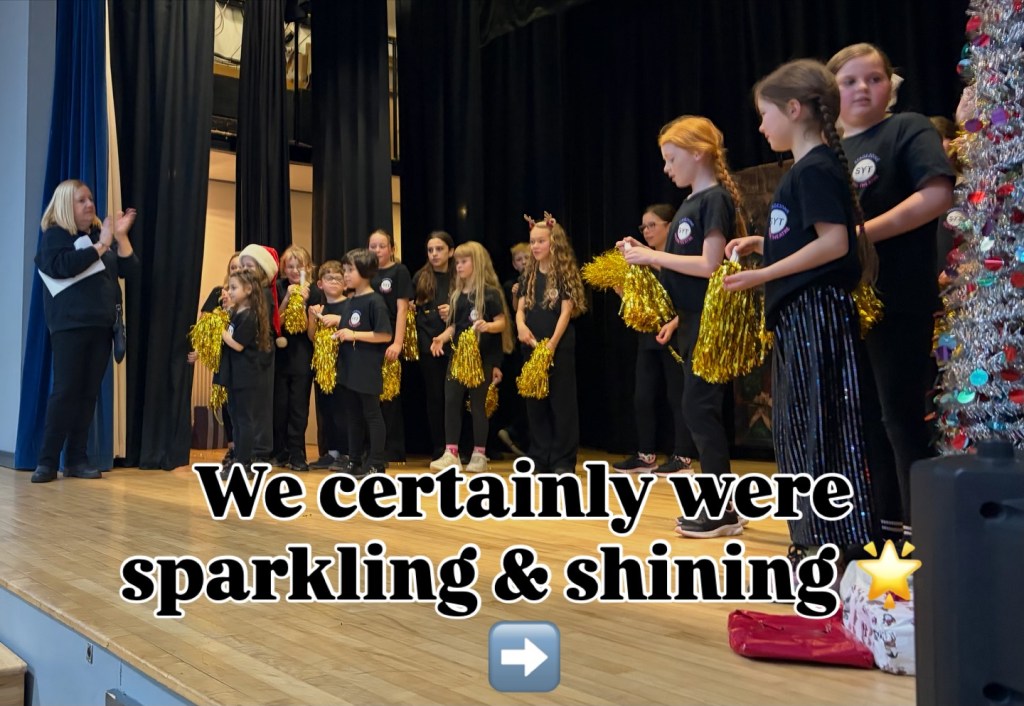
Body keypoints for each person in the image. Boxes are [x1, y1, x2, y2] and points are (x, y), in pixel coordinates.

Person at [723, 58, 878, 559]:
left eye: (765, 114)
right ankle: (814, 540)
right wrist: (762, 244)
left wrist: (763, 274)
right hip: (801, 314)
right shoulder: (806, 171)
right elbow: (808, 238)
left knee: (819, 426)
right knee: (800, 426)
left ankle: (832, 544)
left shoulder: (814, 169)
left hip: (816, 312)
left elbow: (834, 244)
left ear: (793, 109)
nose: (761, 127)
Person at [828, 43, 955, 541]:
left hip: (897, 299)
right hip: (845, 306)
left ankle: (923, 533)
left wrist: (859, 237)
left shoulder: (907, 129)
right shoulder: (830, 153)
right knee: (863, 420)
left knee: (900, 418)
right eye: (850, 81)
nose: (863, 88)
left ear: (891, 86)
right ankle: (882, 527)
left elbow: (936, 195)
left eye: (874, 78)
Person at [617, 117, 741, 537]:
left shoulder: (715, 199)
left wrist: (652, 257)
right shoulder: (691, 203)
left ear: (698, 154)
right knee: (697, 409)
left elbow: (708, 265)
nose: (667, 168)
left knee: (699, 410)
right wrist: (642, 251)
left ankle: (721, 509)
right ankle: (724, 506)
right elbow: (678, 269)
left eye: (672, 159)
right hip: (689, 321)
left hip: (709, 320)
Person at [32, 179, 139, 483]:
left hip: (101, 326)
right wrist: (102, 245)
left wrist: (120, 237)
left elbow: (130, 271)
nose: (90, 204)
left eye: (90, 199)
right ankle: (47, 461)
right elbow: (62, 265)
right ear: (66, 204)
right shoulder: (56, 235)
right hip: (70, 326)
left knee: (88, 394)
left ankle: (77, 459)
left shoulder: (98, 235)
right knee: (65, 391)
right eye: (82, 200)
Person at [613, 203, 698, 477]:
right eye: (644, 227)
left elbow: (692, 300)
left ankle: (683, 457)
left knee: (677, 396)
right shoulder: (643, 263)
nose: (647, 231)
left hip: (676, 337)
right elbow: (639, 305)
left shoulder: (677, 260)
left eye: (652, 225)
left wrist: (673, 324)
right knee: (643, 396)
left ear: (669, 227)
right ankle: (646, 455)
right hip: (649, 338)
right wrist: (621, 291)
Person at [429, 241, 512, 473]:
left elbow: (502, 322)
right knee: (451, 402)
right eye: (457, 262)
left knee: (478, 405)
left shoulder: (490, 293)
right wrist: (441, 338)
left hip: (482, 358)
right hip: (458, 358)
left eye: (464, 261)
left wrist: (488, 326)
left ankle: (479, 454)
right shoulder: (457, 295)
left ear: (477, 263)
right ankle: (451, 453)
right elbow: (454, 326)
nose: (459, 266)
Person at [516, 213, 587, 475]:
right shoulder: (528, 275)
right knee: (536, 404)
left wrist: (552, 345)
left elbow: (566, 313)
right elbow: (520, 309)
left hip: (558, 348)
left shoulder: (564, 274)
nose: (535, 246)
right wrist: (521, 327)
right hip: (531, 348)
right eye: (532, 242)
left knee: (561, 404)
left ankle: (562, 460)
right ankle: (539, 457)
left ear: (553, 243)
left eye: (540, 241)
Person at [335, 248, 393, 477]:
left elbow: (384, 335)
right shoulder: (351, 300)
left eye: (350, 270)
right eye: (344, 270)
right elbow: (349, 328)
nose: (346, 275)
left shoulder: (375, 301)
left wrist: (353, 335)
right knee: (353, 415)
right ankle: (355, 460)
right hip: (349, 365)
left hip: (366, 367)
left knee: (372, 414)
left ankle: (377, 462)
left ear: (365, 271)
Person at [219, 269, 274, 476]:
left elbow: (238, 344)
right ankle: (238, 457)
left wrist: (221, 331)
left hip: (246, 376)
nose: (230, 291)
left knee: (244, 419)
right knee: (235, 418)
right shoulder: (237, 312)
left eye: (234, 288)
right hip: (235, 375)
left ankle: (244, 462)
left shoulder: (250, 316)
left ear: (248, 289)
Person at [188, 252, 241, 465]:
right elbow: (204, 325)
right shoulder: (219, 293)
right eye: (233, 267)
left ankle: (246, 448)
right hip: (221, 356)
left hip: (242, 355)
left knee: (241, 404)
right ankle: (232, 448)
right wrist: (200, 351)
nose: (236, 270)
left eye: (241, 267)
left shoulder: (249, 296)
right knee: (226, 403)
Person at [368, 229, 413, 463]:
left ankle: (391, 448)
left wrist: (397, 342)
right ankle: (372, 447)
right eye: (373, 246)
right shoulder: (366, 272)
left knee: (389, 396)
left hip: (390, 337)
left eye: (382, 246)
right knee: (371, 396)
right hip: (369, 337)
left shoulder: (399, 271)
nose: (377, 250)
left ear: (392, 249)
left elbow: (403, 309)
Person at [274, 245, 319, 471]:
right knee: (280, 406)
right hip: (281, 357)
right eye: (289, 266)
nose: (293, 270)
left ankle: (297, 452)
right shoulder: (279, 288)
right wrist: (286, 300)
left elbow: (311, 332)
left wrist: (303, 303)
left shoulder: (314, 291)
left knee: (299, 407)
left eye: (298, 266)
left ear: (307, 268)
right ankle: (280, 451)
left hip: (302, 356)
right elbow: (276, 323)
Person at [235, 244, 283, 463]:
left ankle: (260, 450)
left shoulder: (263, 294)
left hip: (259, 354)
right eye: (242, 265)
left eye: (250, 265)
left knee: (259, 404)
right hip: (251, 354)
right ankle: (249, 449)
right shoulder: (250, 295)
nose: (244, 269)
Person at [411, 231, 455, 462]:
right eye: (430, 250)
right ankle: (439, 447)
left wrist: (453, 311)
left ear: (451, 251)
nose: (435, 254)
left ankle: (458, 446)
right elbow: (413, 309)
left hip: (456, 345)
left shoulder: (459, 275)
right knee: (435, 397)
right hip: (429, 346)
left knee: (455, 398)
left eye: (439, 249)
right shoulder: (421, 277)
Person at [308, 260, 349, 470]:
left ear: (346, 283)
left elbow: (357, 327)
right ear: (320, 283)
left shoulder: (350, 305)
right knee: (327, 410)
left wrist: (339, 319)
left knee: (343, 410)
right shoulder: (319, 307)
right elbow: (312, 336)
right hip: (323, 368)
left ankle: (347, 453)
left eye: (338, 278)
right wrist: (312, 317)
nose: (334, 282)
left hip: (343, 365)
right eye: (329, 278)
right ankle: (332, 452)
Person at [496, 243, 531, 457]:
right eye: (519, 259)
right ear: (513, 263)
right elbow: (514, 311)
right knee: (522, 394)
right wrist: (516, 295)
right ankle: (515, 432)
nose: (523, 262)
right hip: (518, 346)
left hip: (541, 341)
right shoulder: (512, 285)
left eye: (526, 258)